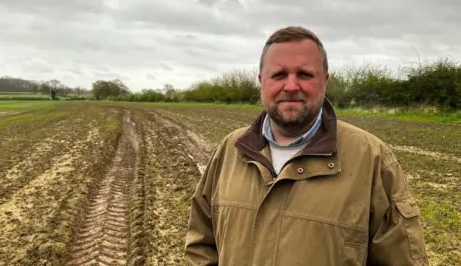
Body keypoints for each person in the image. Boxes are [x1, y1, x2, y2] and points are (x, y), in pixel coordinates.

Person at [184, 26, 429, 265]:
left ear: (324, 80)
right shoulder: (231, 150)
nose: (291, 86)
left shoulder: (372, 158)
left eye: (304, 74)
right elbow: (201, 245)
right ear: (261, 81)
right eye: (279, 75)